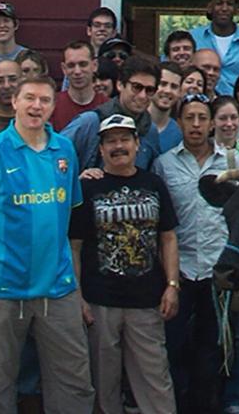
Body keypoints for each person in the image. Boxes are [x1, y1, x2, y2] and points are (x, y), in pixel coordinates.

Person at [0, 74, 91, 412]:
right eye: (29, 98)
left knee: (73, 381)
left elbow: (67, 212)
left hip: (58, 286)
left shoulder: (64, 149)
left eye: (45, 100)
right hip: (3, 288)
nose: (36, 106)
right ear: (14, 102)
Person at [70, 115, 181, 414]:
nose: (118, 146)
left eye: (124, 139)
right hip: (100, 301)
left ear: (136, 143)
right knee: (103, 383)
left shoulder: (153, 184)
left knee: (155, 379)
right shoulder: (86, 188)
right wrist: (78, 296)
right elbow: (75, 246)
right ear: (102, 148)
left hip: (147, 300)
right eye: (111, 141)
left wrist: (172, 285)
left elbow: (168, 237)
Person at [157, 95, 234, 414]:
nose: (197, 125)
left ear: (213, 122)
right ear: (179, 123)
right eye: (189, 118)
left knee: (212, 351)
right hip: (179, 271)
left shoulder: (228, 162)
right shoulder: (164, 164)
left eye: (203, 117)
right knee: (173, 348)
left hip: (217, 270)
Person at [52, 41, 102, 130]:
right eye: (71, 65)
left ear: (95, 65)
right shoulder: (52, 105)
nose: (77, 71)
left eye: (83, 64)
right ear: (64, 69)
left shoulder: (107, 106)